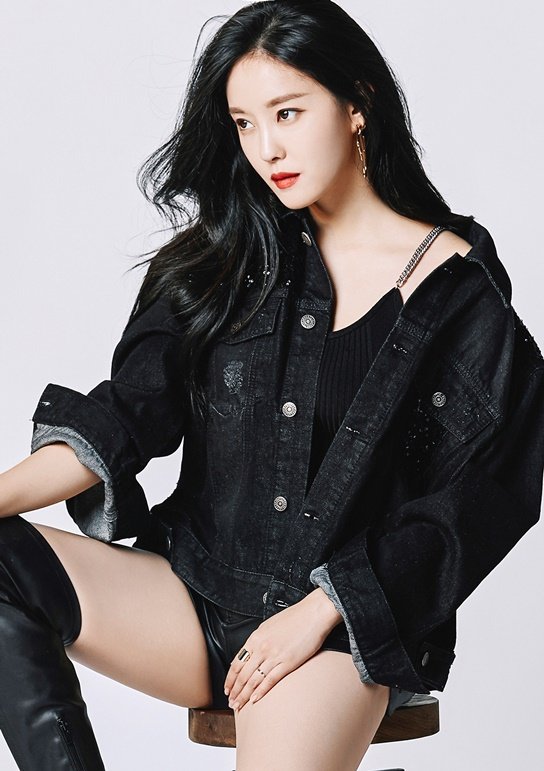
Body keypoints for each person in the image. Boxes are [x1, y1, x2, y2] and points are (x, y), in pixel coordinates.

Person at [1, 0, 543, 768]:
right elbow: (127, 413)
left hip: (335, 630)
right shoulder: (227, 257)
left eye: (287, 113)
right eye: (244, 123)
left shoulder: (460, 296)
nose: (266, 148)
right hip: (194, 594)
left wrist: (321, 609)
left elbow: (479, 503)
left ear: (358, 103)